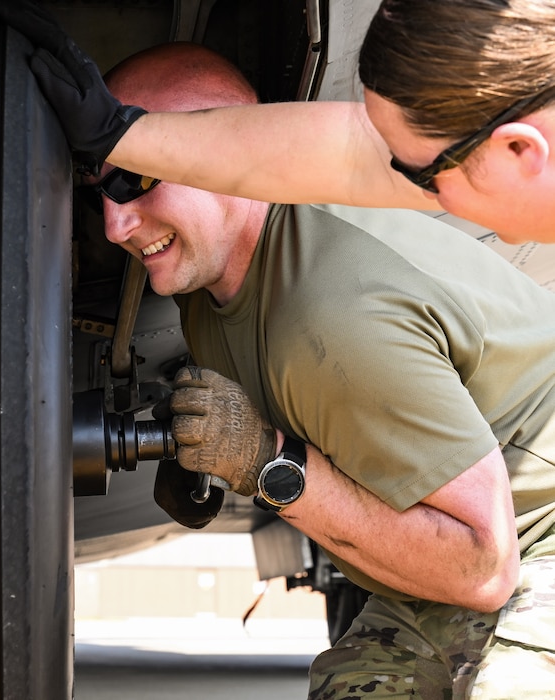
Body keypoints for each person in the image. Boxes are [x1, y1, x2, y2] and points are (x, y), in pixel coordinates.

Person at [81, 41, 555, 698]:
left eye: (136, 179)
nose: (112, 224)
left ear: (225, 160)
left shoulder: (334, 315)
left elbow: (482, 569)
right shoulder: (211, 278)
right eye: (100, 186)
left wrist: (267, 464)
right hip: (453, 550)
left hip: (518, 543)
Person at [0, 0, 555, 245]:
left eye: (423, 176)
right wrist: (121, 135)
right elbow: (347, 154)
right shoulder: (474, 147)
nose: (424, 192)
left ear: (519, 151)